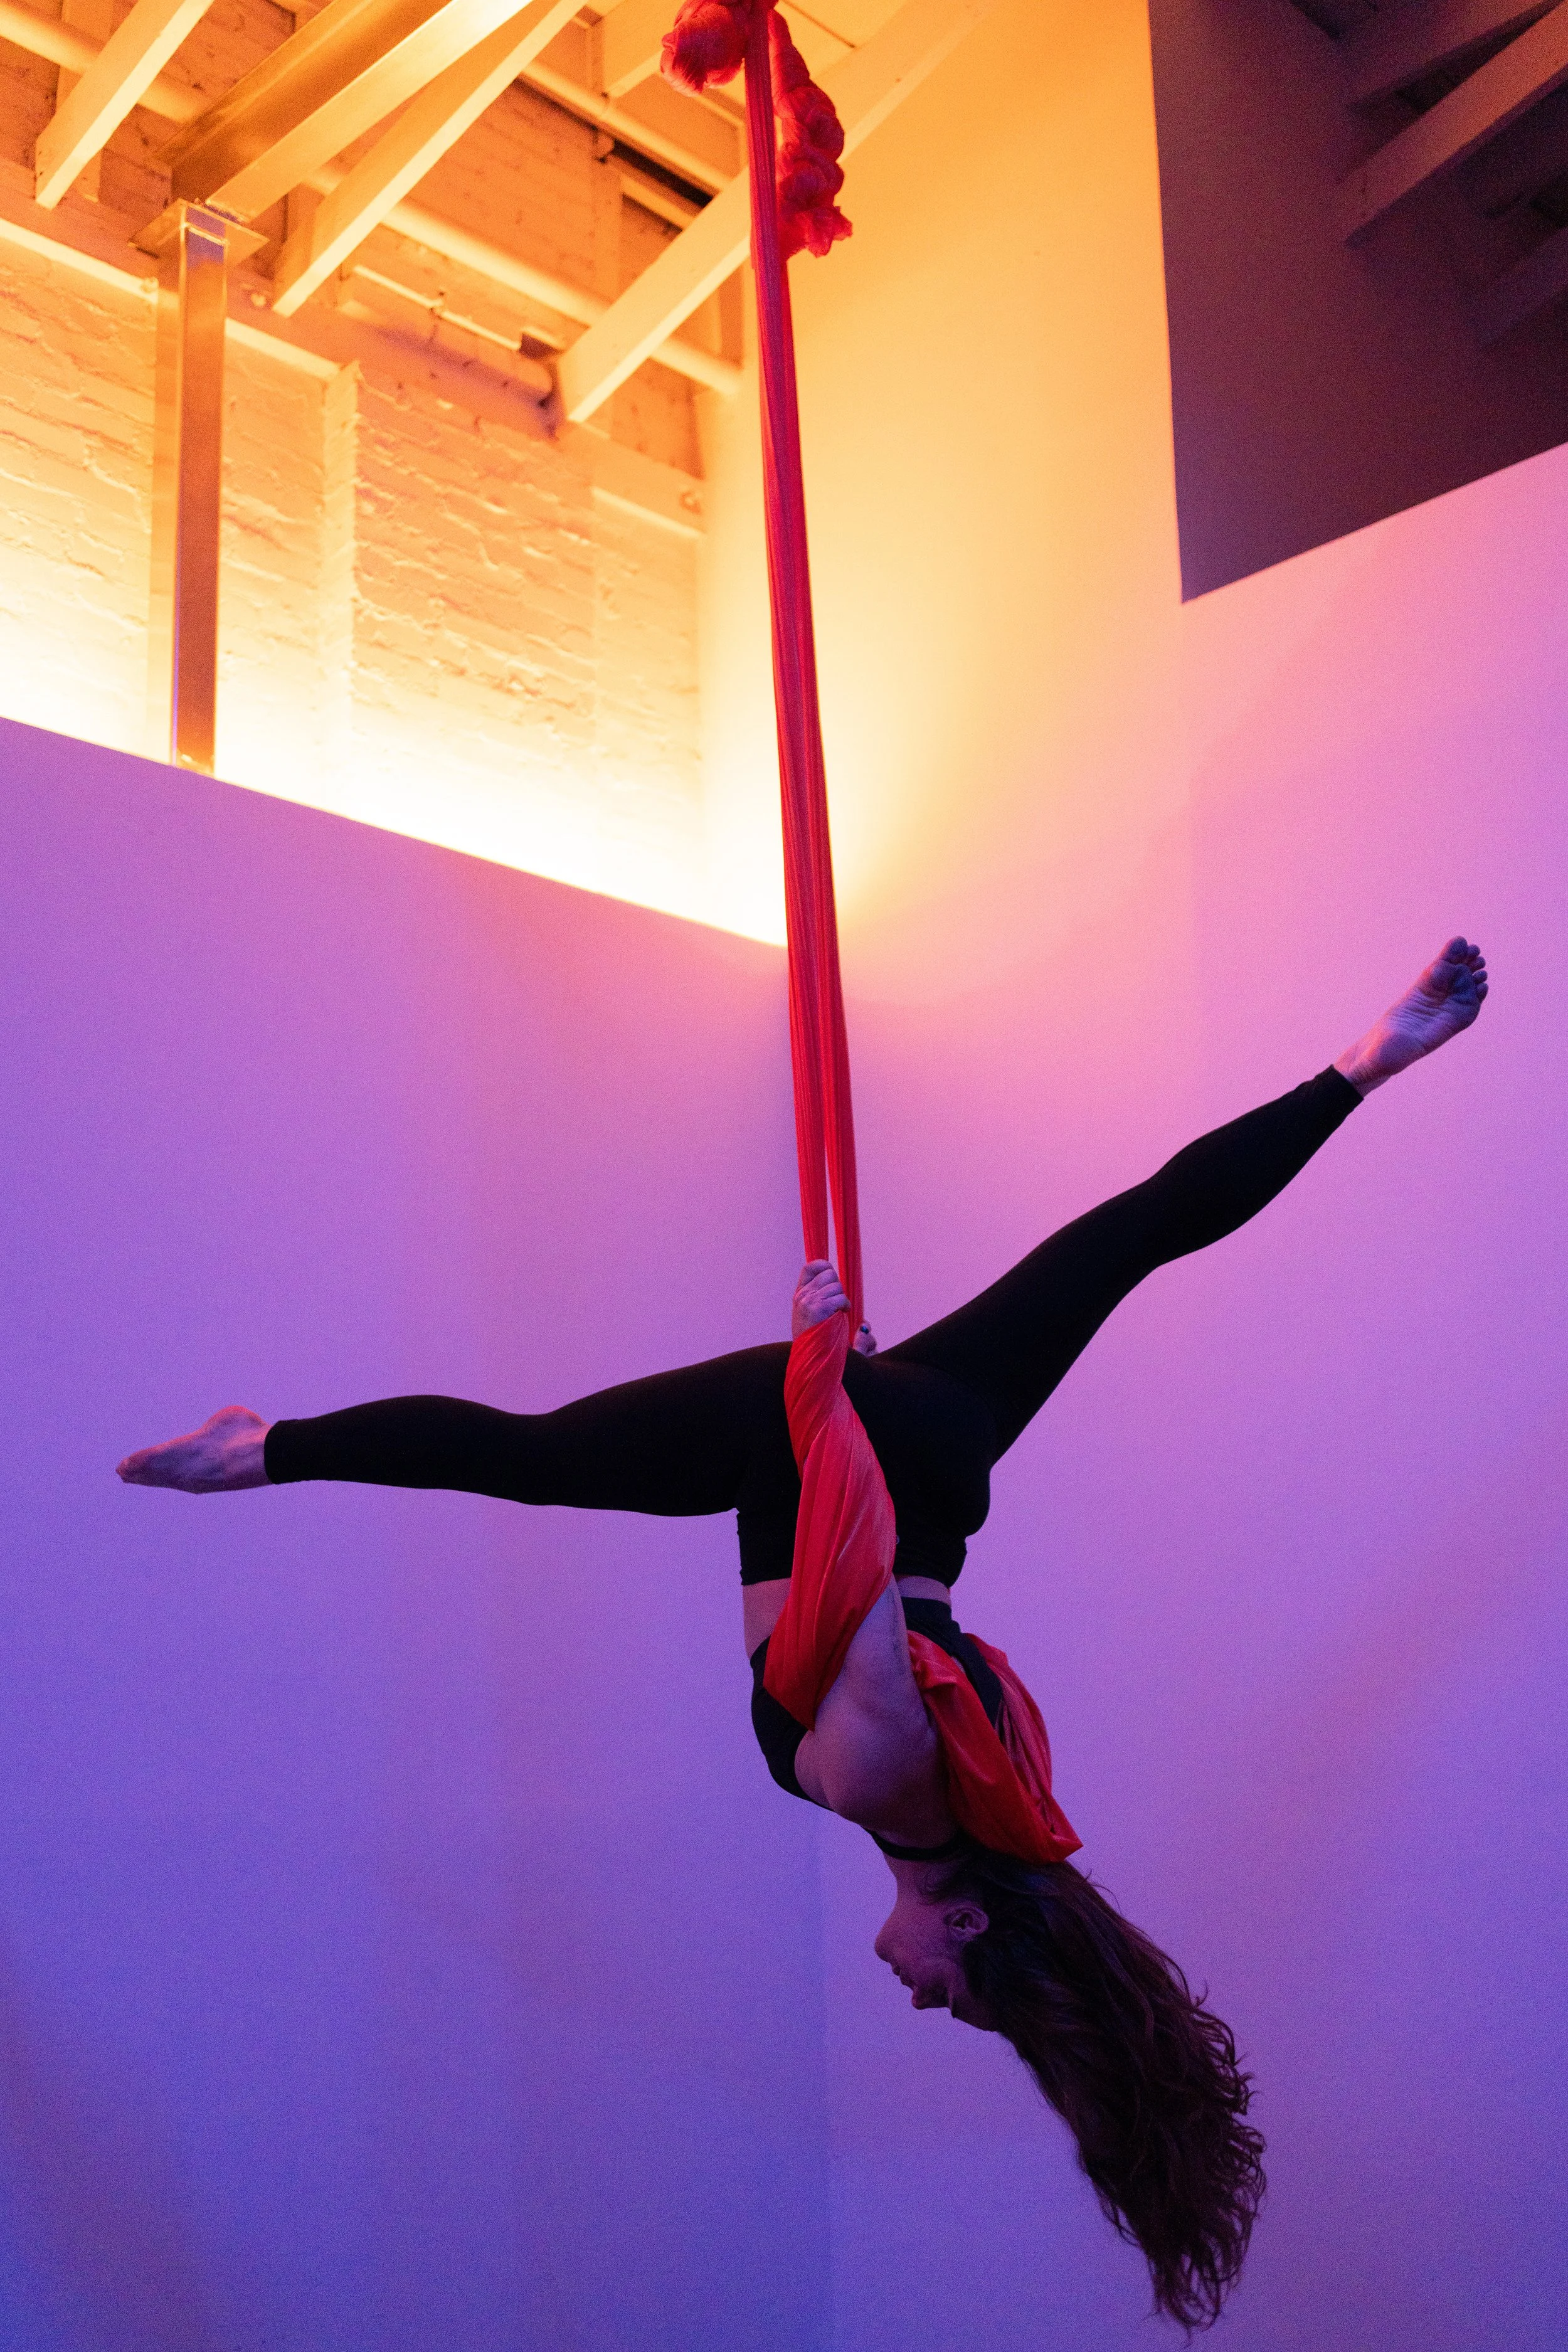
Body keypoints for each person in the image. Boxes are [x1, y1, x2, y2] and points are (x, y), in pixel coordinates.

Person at [118, 938, 1488, 2327]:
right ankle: (263, 1449)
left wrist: (854, 1402)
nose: (914, 1996)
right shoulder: (869, 1785)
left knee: (1127, 1238)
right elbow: (867, 1588)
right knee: (527, 1456)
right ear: (962, 1924)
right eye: (954, 1992)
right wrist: (819, 1386)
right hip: (817, 1454)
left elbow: (909, 1590)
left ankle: (1364, 1063)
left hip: (945, 1449)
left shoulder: (1018, 1808)